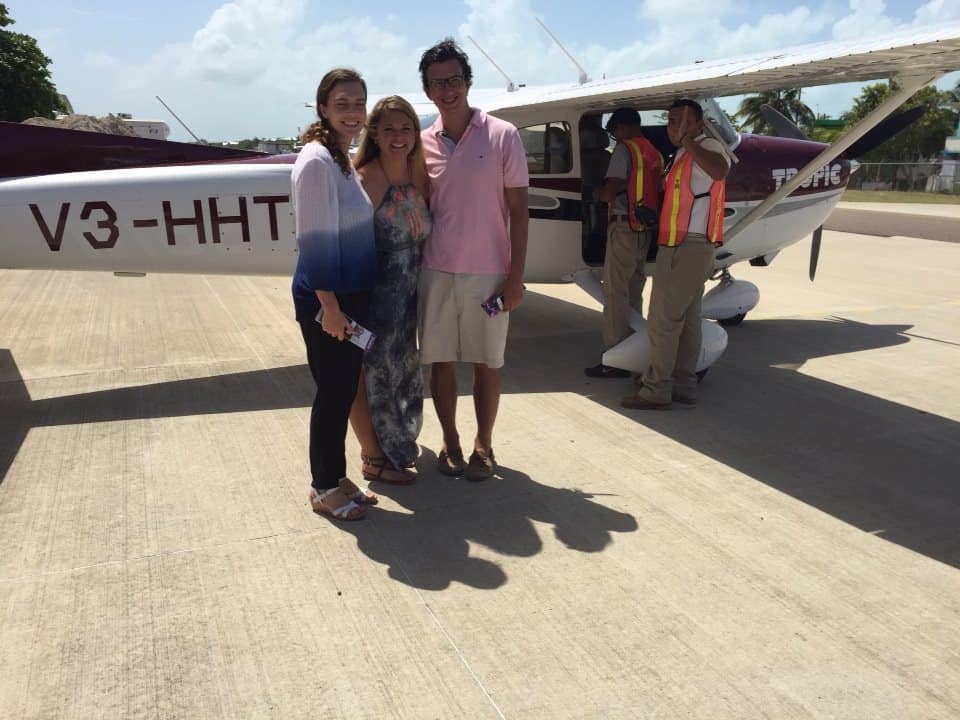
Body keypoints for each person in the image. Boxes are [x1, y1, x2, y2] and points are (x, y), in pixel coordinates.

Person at [417, 38, 529, 481]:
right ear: (427, 90)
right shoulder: (420, 142)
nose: (448, 89)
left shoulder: (503, 135)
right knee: (440, 361)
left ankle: (484, 443)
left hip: (489, 273)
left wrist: (515, 277)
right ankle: (451, 440)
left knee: (487, 363)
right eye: (437, 82)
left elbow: (519, 211)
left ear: (468, 82)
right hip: (436, 270)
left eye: (455, 80)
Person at [292, 68, 380, 520]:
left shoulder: (340, 159)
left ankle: (337, 476)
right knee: (333, 394)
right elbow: (313, 240)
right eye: (342, 104)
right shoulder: (316, 161)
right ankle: (323, 487)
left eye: (358, 104)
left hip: (349, 297)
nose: (352, 113)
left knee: (344, 390)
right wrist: (329, 308)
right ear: (323, 107)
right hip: (330, 302)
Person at [622, 99, 729, 410]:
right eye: (669, 121)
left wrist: (687, 143)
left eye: (679, 121)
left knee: (662, 320)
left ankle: (657, 387)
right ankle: (684, 384)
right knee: (689, 320)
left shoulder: (707, 146)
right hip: (684, 246)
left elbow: (720, 170)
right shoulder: (685, 153)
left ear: (698, 124)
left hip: (688, 247)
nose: (672, 127)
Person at [349, 96, 432, 485]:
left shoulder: (420, 174)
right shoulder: (364, 177)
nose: (398, 136)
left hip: (410, 294)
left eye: (406, 128)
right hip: (377, 295)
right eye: (389, 129)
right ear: (375, 134)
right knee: (378, 373)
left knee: (406, 370)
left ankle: (401, 443)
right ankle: (380, 457)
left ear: (415, 134)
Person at [584, 107, 663, 379]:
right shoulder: (653, 152)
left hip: (624, 226)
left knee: (615, 292)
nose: (615, 137)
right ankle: (632, 347)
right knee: (634, 288)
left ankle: (615, 357)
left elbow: (610, 191)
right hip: (644, 228)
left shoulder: (624, 150)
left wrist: (596, 192)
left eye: (615, 131)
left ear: (624, 127)